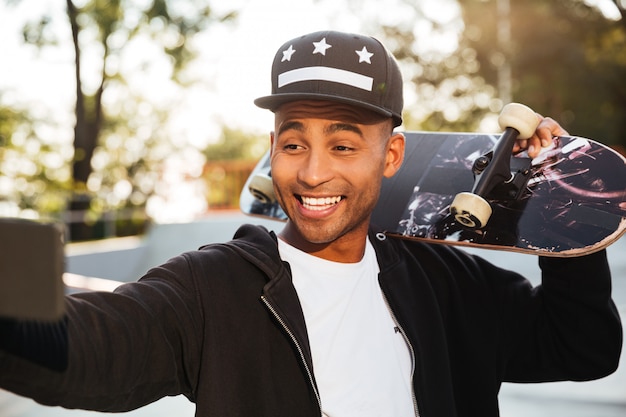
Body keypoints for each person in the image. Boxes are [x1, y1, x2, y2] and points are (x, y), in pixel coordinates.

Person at [0, 30, 622, 417]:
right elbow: (94, 350)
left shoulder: (447, 286)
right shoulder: (212, 290)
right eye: (293, 145)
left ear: (393, 155)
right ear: (272, 148)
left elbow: (580, 349)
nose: (313, 174)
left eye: (344, 146)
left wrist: (568, 217)